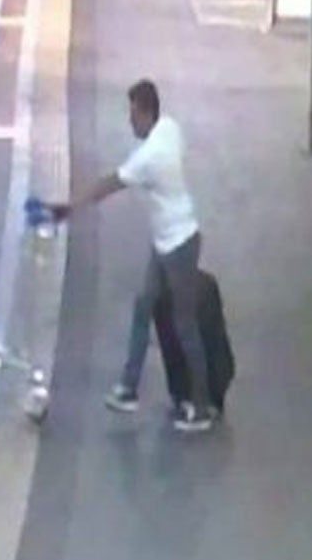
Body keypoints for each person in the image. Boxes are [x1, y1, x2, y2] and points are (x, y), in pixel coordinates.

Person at [51, 79, 213, 433]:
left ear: (146, 112)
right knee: (143, 305)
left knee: (185, 323)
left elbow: (110, 184)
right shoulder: (170, 129)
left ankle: (201, 408)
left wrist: (69, 208)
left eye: (132, 114)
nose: (130, 122)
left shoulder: (149, 157)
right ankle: (128, 388)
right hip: (168, 240)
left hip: (178, 245)